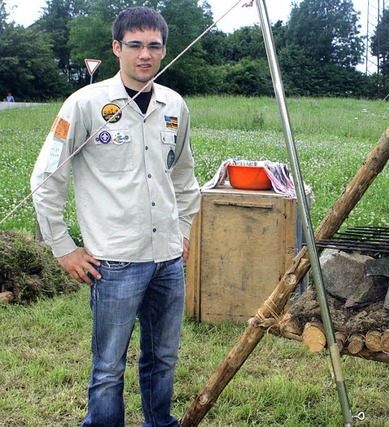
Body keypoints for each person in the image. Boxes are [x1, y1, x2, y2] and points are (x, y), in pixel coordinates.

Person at [30, 7, 200, 427]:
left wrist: (184, 230)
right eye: (135, 45)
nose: (145, 55)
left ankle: (158, 422)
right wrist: (63, 247)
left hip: (167, 260)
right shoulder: (85, 103)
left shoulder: (173, 106)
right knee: (108, 366)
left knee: (163, 358)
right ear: (116, 48)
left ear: (163, 50)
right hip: (115, 261)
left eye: (154, 46)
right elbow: (47, 175)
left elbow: (184, 176)